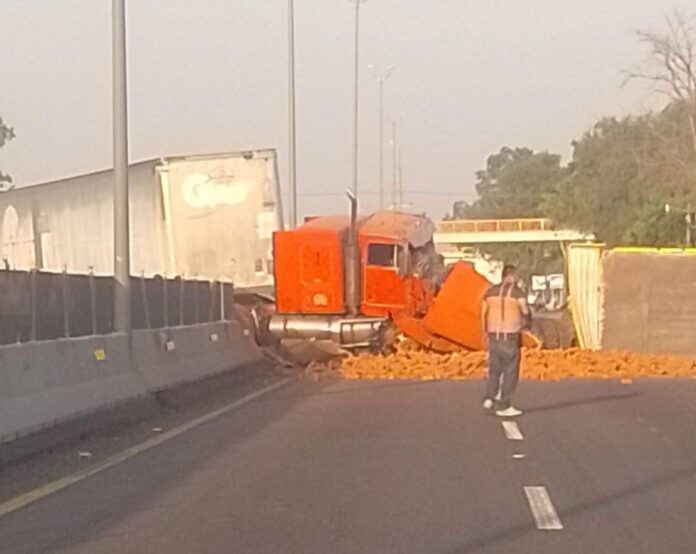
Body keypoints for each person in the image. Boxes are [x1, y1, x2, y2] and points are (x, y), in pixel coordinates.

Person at [480, 264, 529, 417]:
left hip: (493, 335)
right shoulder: (517, 292)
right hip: (510, 337)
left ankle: (489, 397)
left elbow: (483, 313)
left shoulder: (490, 292)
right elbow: (525, 311)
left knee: (494, 369)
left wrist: (484, 331)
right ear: (512, 276)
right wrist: (524, 324)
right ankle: (504, 405)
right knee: (510, 372)